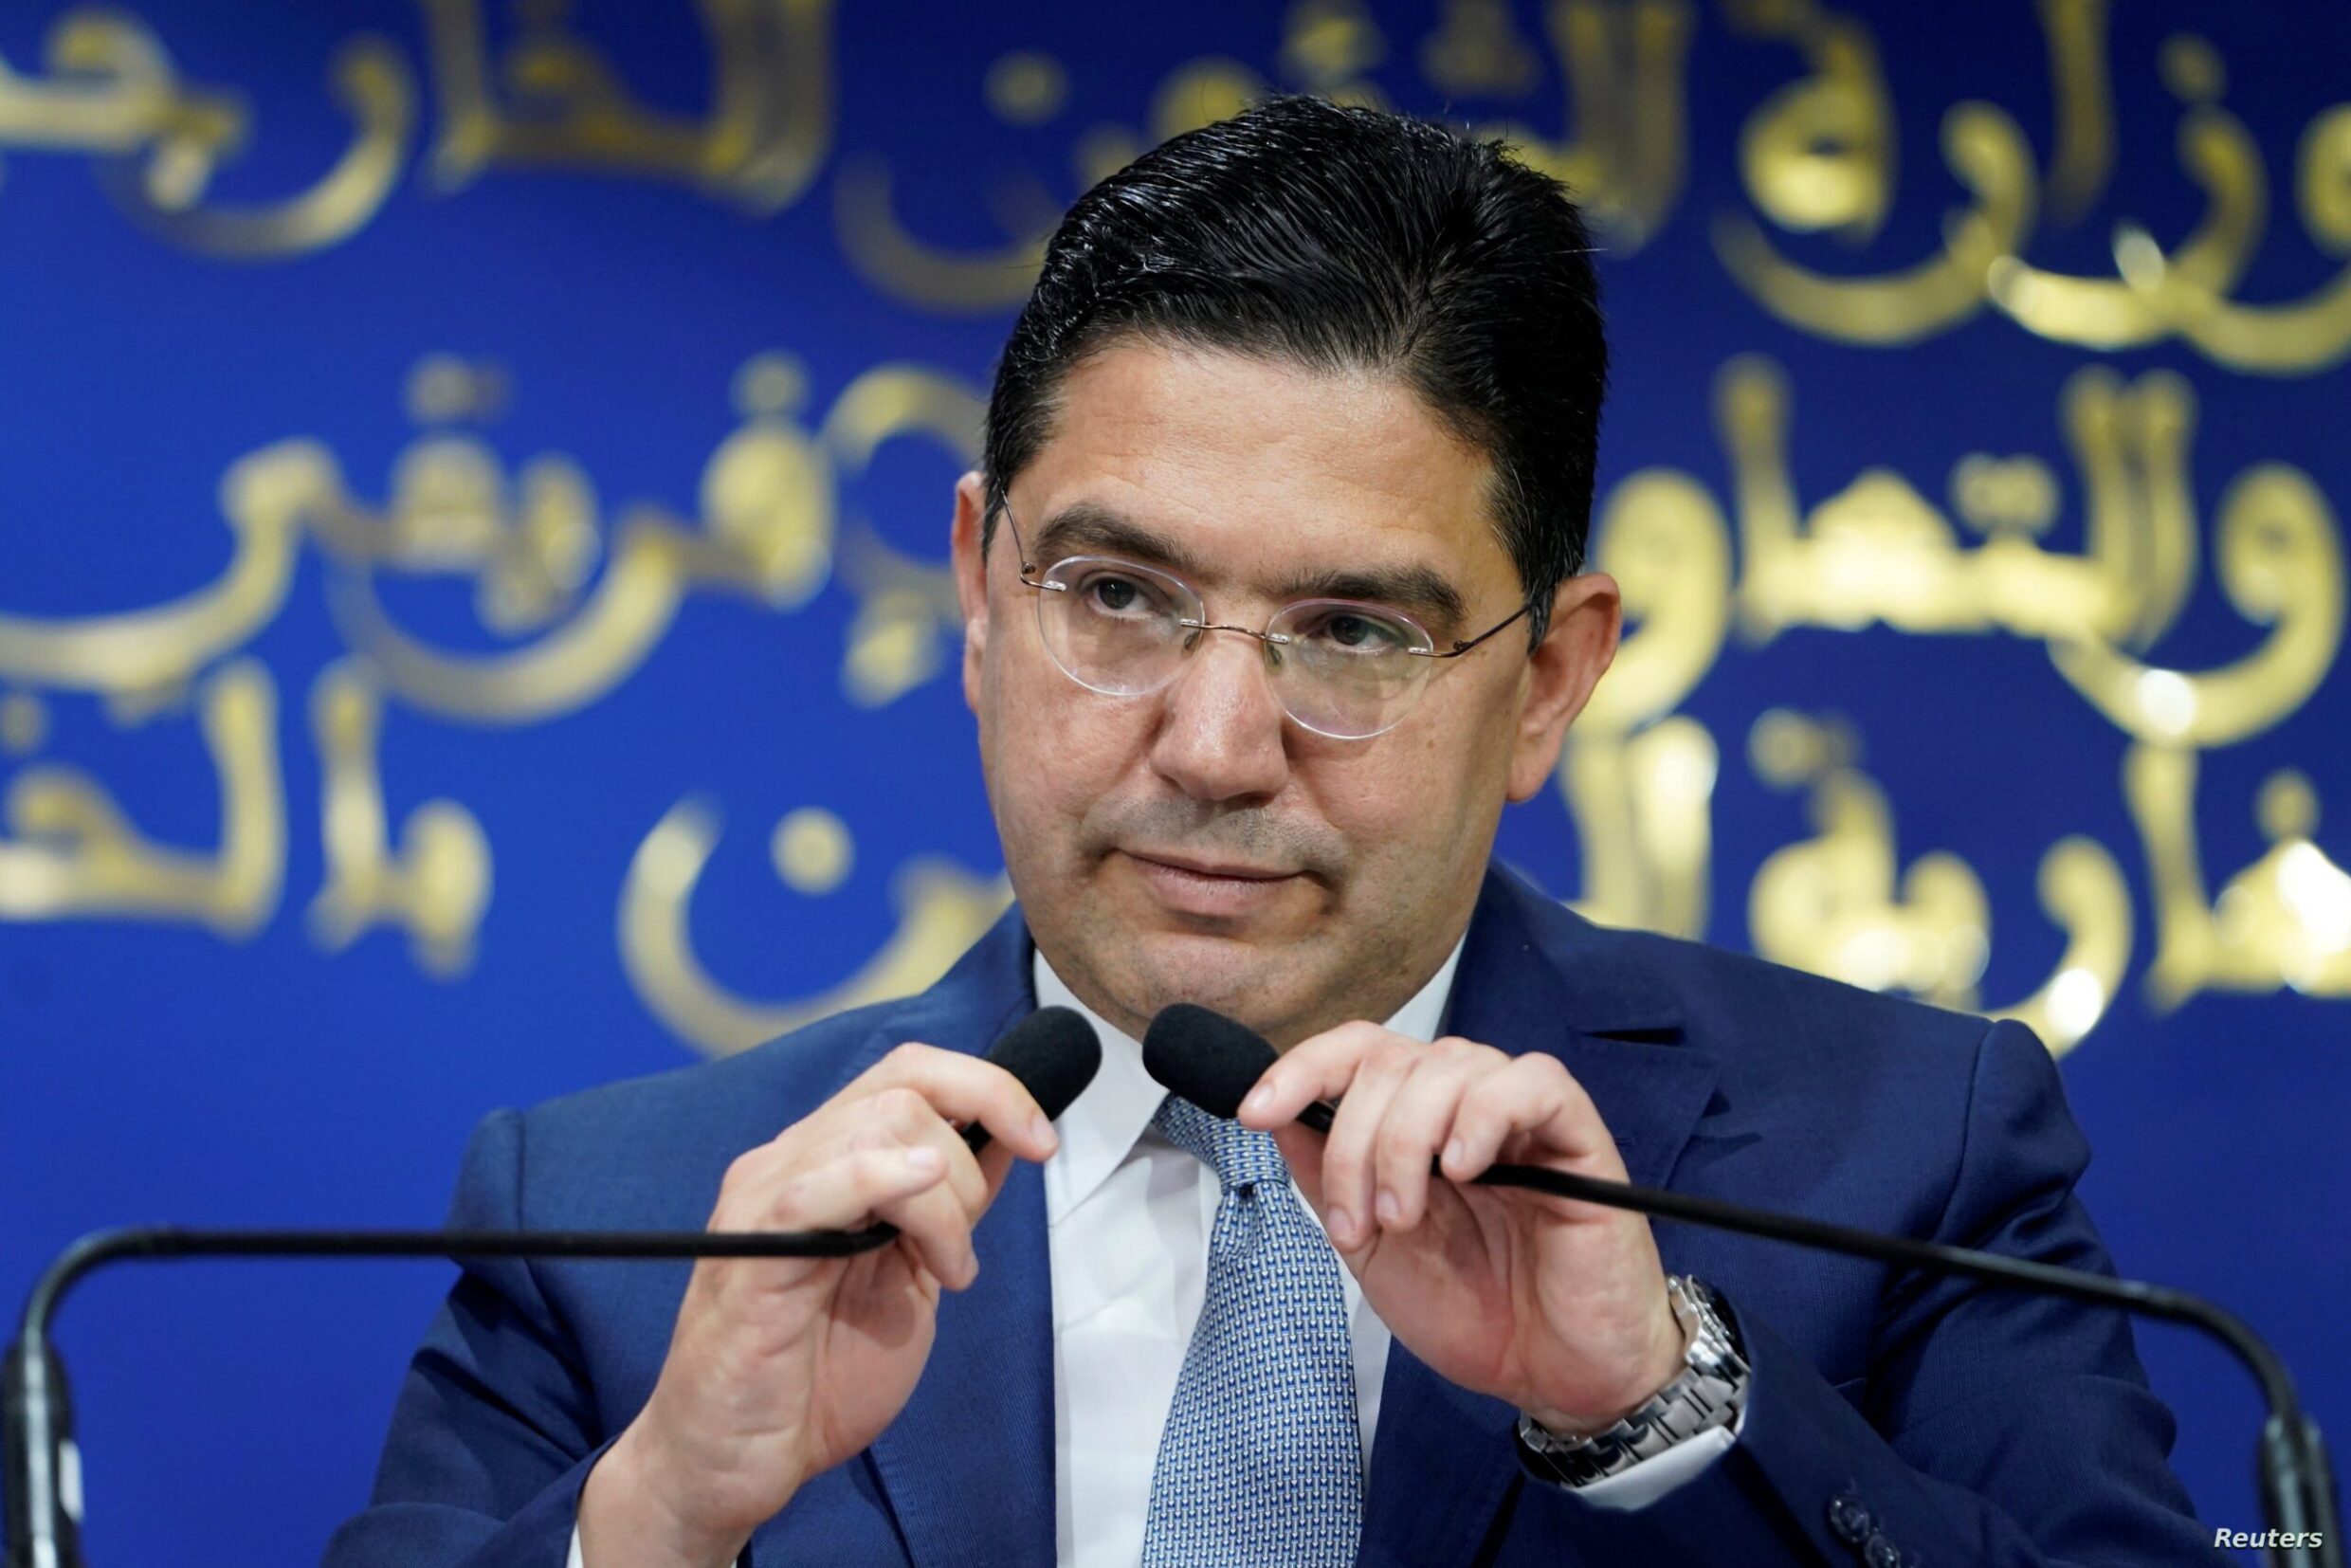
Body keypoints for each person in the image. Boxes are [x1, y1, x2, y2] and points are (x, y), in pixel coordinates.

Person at [326, 95, 2222, 1567]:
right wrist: (660, 1514)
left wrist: (1656, 1400)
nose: (1219, 746)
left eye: (1355, 633)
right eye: (1118, 596)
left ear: (1550, 678)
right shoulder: (627, 1221)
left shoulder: (1896, 1156)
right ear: (979, 589)